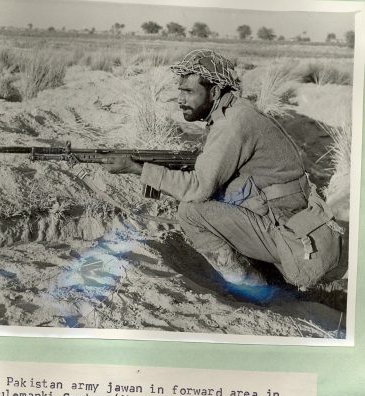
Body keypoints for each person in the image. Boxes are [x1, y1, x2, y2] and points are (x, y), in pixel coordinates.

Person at [102, 49, 311, 286]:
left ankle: (252, 288)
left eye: (189, 92)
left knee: (190, 212)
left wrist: (137, 169)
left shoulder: (231, 125)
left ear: (213, 92)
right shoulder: (234, 110)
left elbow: (199, 188)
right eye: (180, 91)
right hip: (281, 211)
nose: (180, 99)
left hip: (285, 226)